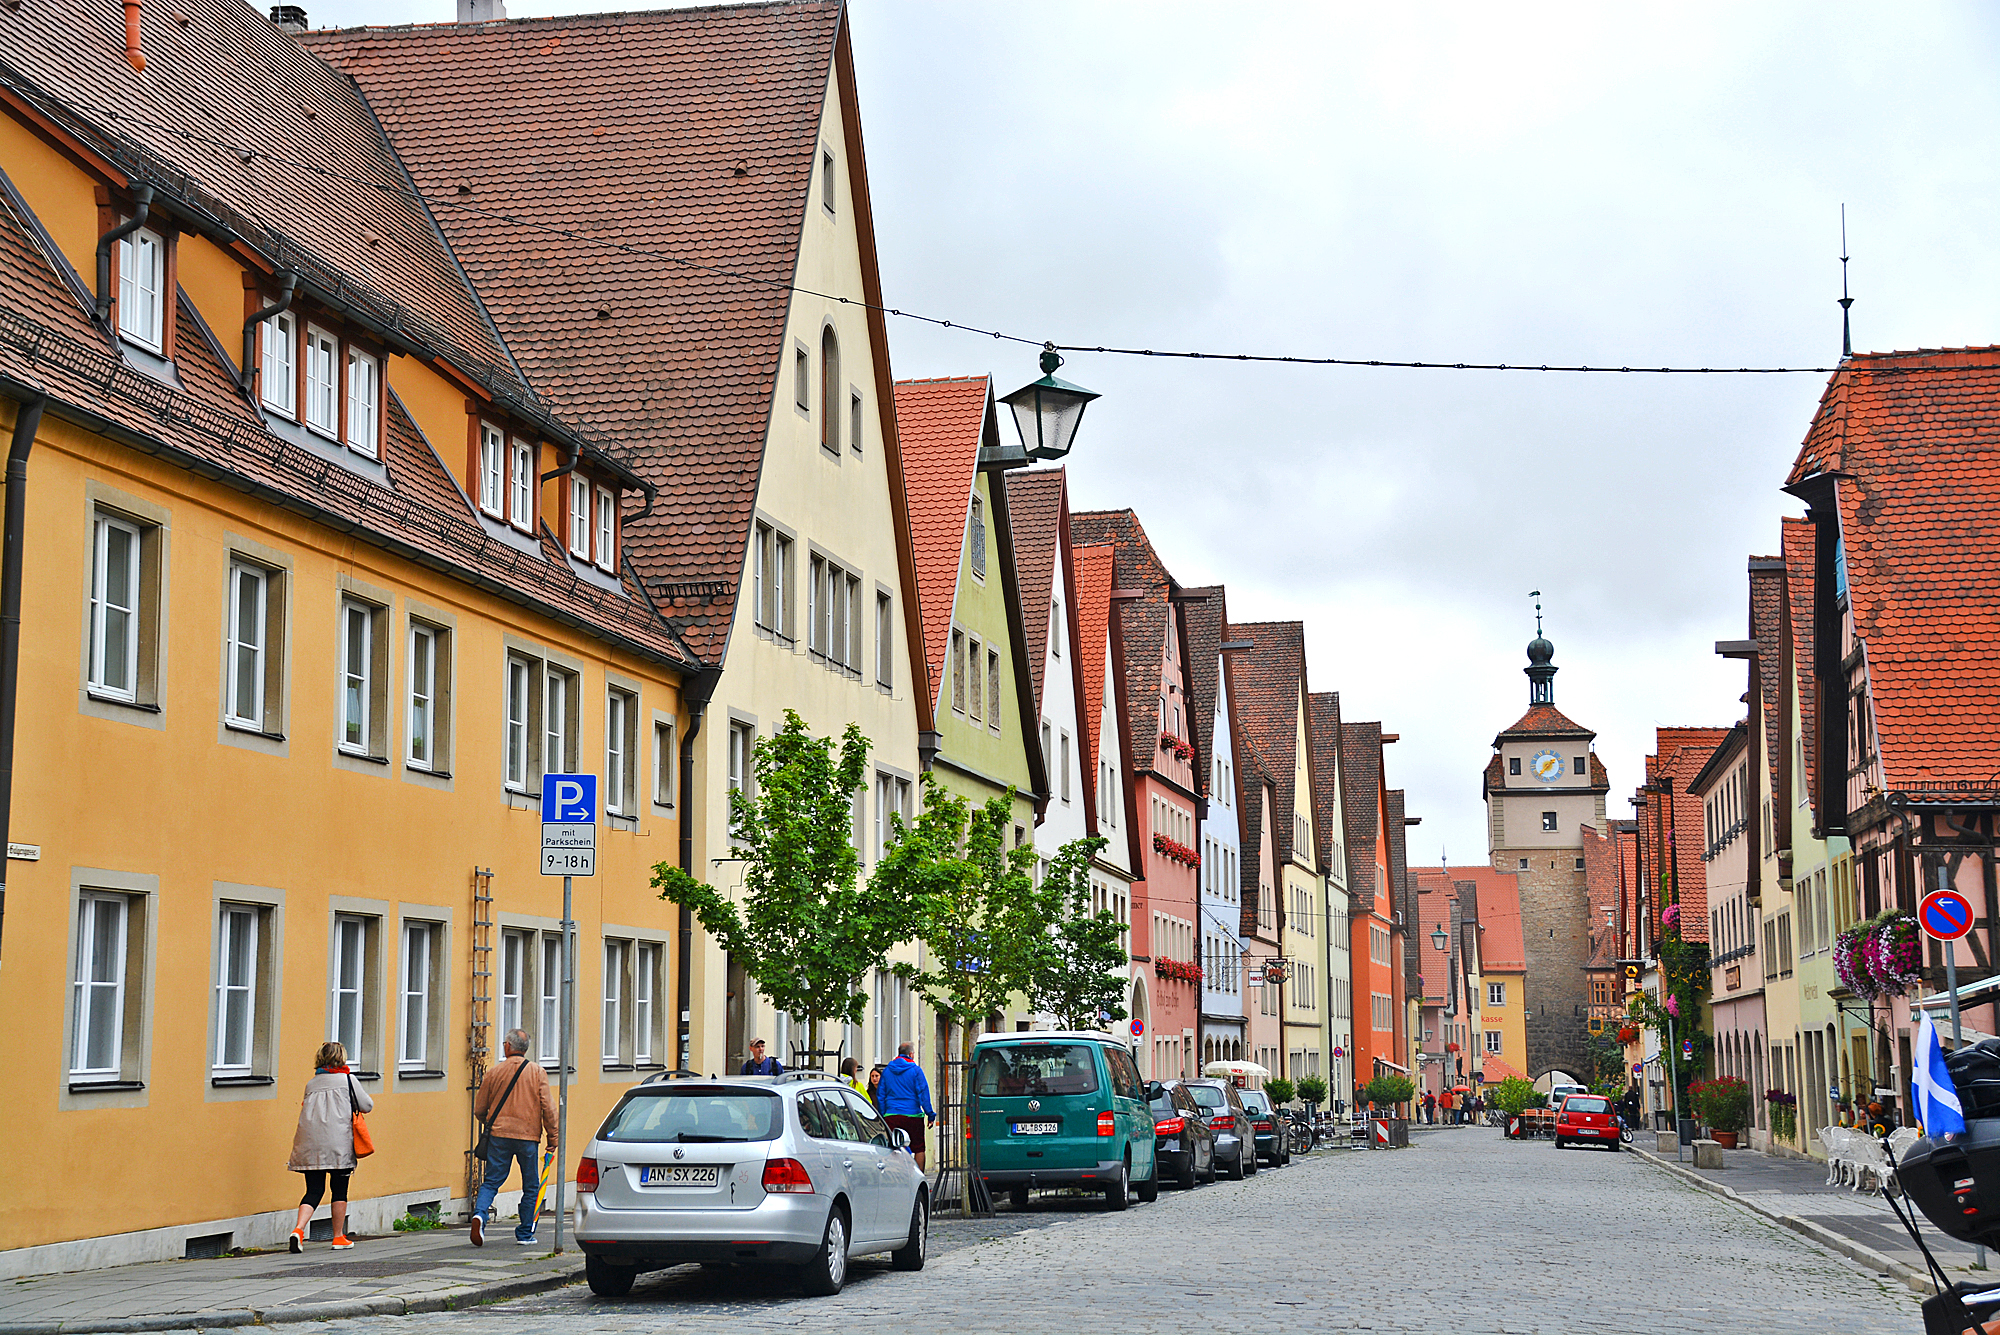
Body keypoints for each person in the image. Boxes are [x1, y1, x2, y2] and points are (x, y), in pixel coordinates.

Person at [470, 1028, 558, 1247]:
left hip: (499, 1135)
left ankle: (480, 1215)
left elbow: (479, 1109)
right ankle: (525, 1233)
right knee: (531, 1185)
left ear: (508, 1047)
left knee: (491, 1181)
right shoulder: (538, 1072)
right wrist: (553, 1138)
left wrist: (489, 1122)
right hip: (528, 1137)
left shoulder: (494, 1072)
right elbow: (549, 1108)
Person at [286, 1040, 372, 1253]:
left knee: (314, 1190)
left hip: (311, 1144)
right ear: (341, 1058)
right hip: (338, 1145)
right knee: (339, 1190)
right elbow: (367, 1106)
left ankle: (298, 1230)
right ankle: (338, 1237)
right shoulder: (348, 1080)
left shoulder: (311, 1084)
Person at [876, 1041, 936, 1170]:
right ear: (911, 1054)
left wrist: (883, 1115)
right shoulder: (915, 1070)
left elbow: (880, 1095)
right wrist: (930, 1114)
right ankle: (919, 1179)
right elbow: (923, 1093)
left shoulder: (887, 1071)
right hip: (912, 1115)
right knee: (919, 1148)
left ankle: (896, 1176)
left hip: (891, 1116)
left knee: (893, 1148)